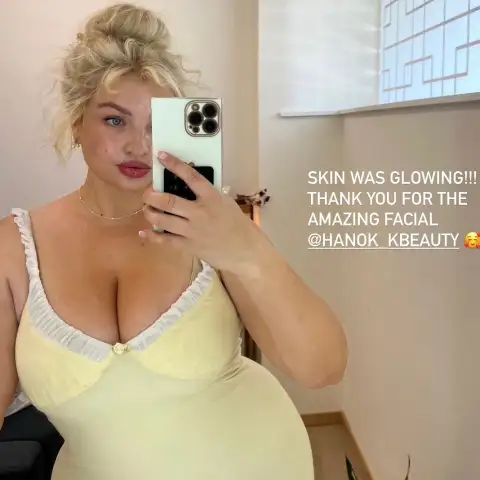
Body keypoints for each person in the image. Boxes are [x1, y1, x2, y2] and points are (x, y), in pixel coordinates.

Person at [0, 3, 348, 479]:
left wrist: (248, 251)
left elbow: (322, 369)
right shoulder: (15, 247)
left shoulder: (209, 226)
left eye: (155, 125)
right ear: (77, 122)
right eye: (115, 120)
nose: (139, 146)